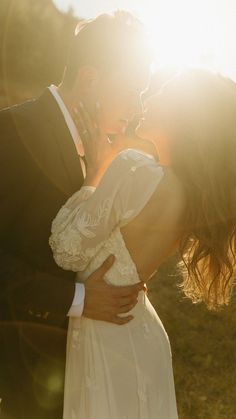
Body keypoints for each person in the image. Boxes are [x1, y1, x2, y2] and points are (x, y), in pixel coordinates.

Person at [49, 68, 236, 418]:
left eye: (162, 94)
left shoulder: (134, 168)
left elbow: (65, 249)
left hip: (106, 337)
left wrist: (93, 175)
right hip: (135, 333)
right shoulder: (191, 197)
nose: (147, 100)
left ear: (186, 118)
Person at [0, 12, 151, 419]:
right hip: (26, 375)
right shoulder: (14, 131)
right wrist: (79, 299)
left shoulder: (98, 149)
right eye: (133, 89)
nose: (137, 108)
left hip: (78, 373)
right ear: (89, 79)